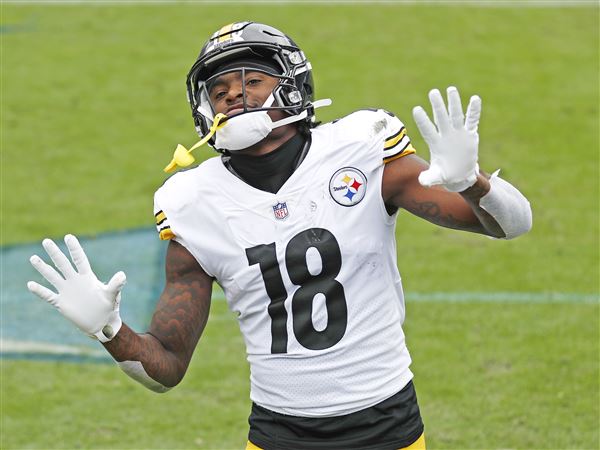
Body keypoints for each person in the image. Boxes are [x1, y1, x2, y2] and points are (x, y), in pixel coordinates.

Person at [27, 22, 532, 450]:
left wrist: (473, 183)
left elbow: (512, 225)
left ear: (292, 85)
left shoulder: (359, 149)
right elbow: (168, 367)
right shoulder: (195, 202)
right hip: (279, 433)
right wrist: (111, 332)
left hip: (389, 425)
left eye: (251, 81)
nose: (232, 95)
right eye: (219, 89)